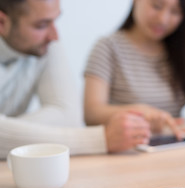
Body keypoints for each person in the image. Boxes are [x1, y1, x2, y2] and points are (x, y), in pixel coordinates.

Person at [0, 0, 150, 159]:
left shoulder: (45, 44)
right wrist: (100, 140)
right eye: (41, 25)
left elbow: (69, 117)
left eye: (55, 20)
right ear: (2, 22)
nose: (55, 36)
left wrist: (8, 132)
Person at [84, 0, 185, 143]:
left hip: (175, 148)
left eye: (175, 12)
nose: (163, 19)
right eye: (156, 6)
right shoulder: (108, 48)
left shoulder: (184, 53)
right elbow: (91, 113)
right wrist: (138, 112)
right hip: (127, 151)